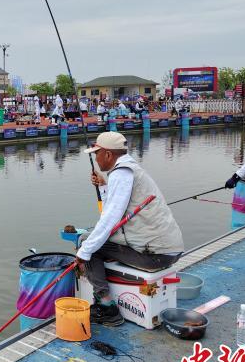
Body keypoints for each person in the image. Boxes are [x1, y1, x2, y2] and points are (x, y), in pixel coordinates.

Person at [75, 132, 184, 326]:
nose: (96, 158)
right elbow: (116, 209)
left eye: (97, 153)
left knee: (87, 243)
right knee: (96, 243)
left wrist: (84, 252)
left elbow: (110, 219)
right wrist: (103, 186)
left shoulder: (121, 173)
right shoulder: (129, 169)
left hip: (154, 254)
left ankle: (107, 307)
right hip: (168, 250)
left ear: (108, 154)